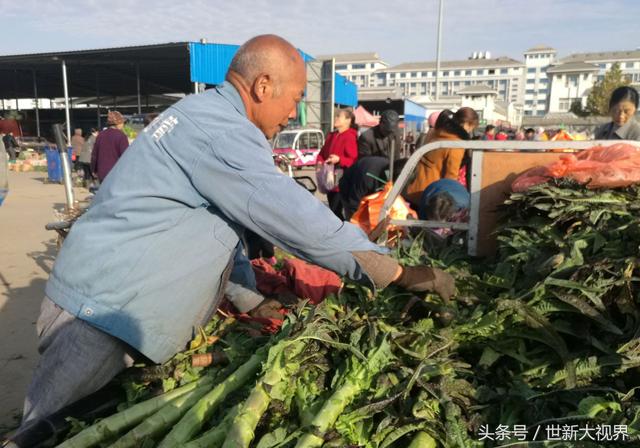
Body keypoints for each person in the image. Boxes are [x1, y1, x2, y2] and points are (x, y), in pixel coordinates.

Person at [14, 35, 455, 433]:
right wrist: (394, 272)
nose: (293, 113)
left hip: (111, 301)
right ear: (263, 86)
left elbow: (219, 235)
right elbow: (295, 217)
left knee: (83, 423)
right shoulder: (218, 131)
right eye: (295, 98)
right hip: (99, 312)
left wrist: (252, 300)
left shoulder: (205, 116)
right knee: (49, 431)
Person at [405, 107, 479, 205]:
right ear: (467, 124)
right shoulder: (455, 145)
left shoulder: (435, 132)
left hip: (413, 188)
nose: (470, 132)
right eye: (471, 128)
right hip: (430, 196)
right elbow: (450, 178)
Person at [316, 108, 358, 219]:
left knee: (336, 211)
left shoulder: (350, 136)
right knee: (333, 210)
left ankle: (342, 232)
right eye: (336, 116)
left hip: (342, 180)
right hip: (330, 178)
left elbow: (354, 160)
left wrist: (339, 159)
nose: (335, 118)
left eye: (339, 116)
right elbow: (322, 153)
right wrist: (319, 162)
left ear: (348, 120)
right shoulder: (332, 135)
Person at [339, 157, 408, 220]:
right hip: (349, 188)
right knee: (355, 221)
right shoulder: (367, 178)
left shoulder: (390, 172)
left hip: (370, 189)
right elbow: (353, 203)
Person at [90, 111, 129, 182]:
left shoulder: (100, 135)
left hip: (102, 172)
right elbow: (125, 156)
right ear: (118, 123)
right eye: (122, 122)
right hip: (116, 174)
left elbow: (94, 154)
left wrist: (93, 169)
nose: (123, 124)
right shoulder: (121, 136)